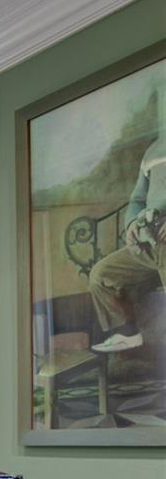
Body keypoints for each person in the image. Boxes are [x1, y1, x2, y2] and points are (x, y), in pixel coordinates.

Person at [90, 136, 166, 353]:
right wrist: (132, 222)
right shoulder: (154, 150)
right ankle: (127, 334)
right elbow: (137, 200)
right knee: (101, 275)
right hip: (149, 242)